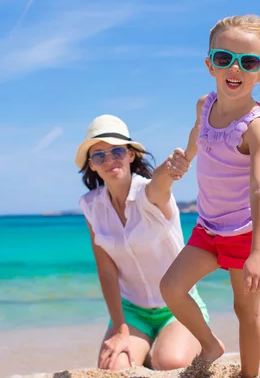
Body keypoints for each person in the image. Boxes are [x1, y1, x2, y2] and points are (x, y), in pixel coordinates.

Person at [159, 14, 260, 378]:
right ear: (210, 63)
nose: (235, 68)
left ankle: (249, 375)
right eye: (225, 58)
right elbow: (200, 133)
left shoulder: (257, 126)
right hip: (209, 228)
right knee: (171, 287)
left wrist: (259, 253)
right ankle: (210, 344)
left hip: (246, 233)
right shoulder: (205, 103)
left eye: (248, 61)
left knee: (246, 311)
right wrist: (185, 157)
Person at [75, 114, 210, 371]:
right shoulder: (91, 206)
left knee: (170, 362)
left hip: (178, 306)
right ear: (91, 165)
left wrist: (173, 165)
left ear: (130, 155)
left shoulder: (150, 194)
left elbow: (162, 179)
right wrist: (119, 328)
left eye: (116, 151)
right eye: (99, 156)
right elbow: (106, 270)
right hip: (132, 311)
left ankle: (177, 344)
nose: (109, 160)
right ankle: (146, 346)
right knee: (113, 367)